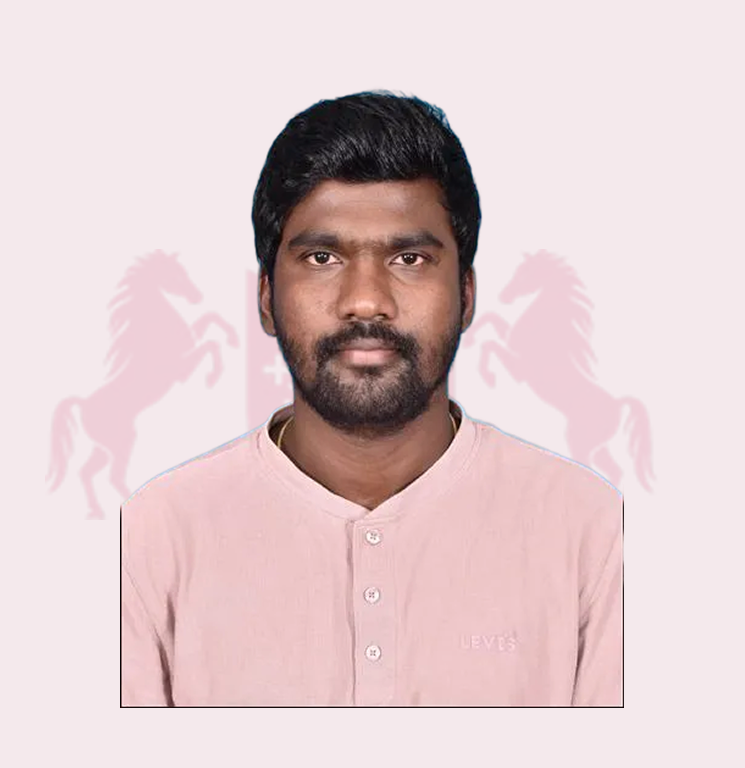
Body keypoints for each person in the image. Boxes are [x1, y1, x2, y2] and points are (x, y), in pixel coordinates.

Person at [121, 90, 623, 707]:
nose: (365, 300)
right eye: (322, 257)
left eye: (409, 258)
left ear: (466, 295)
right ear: (266, 298)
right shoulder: (153, 540)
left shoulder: (591, 532)